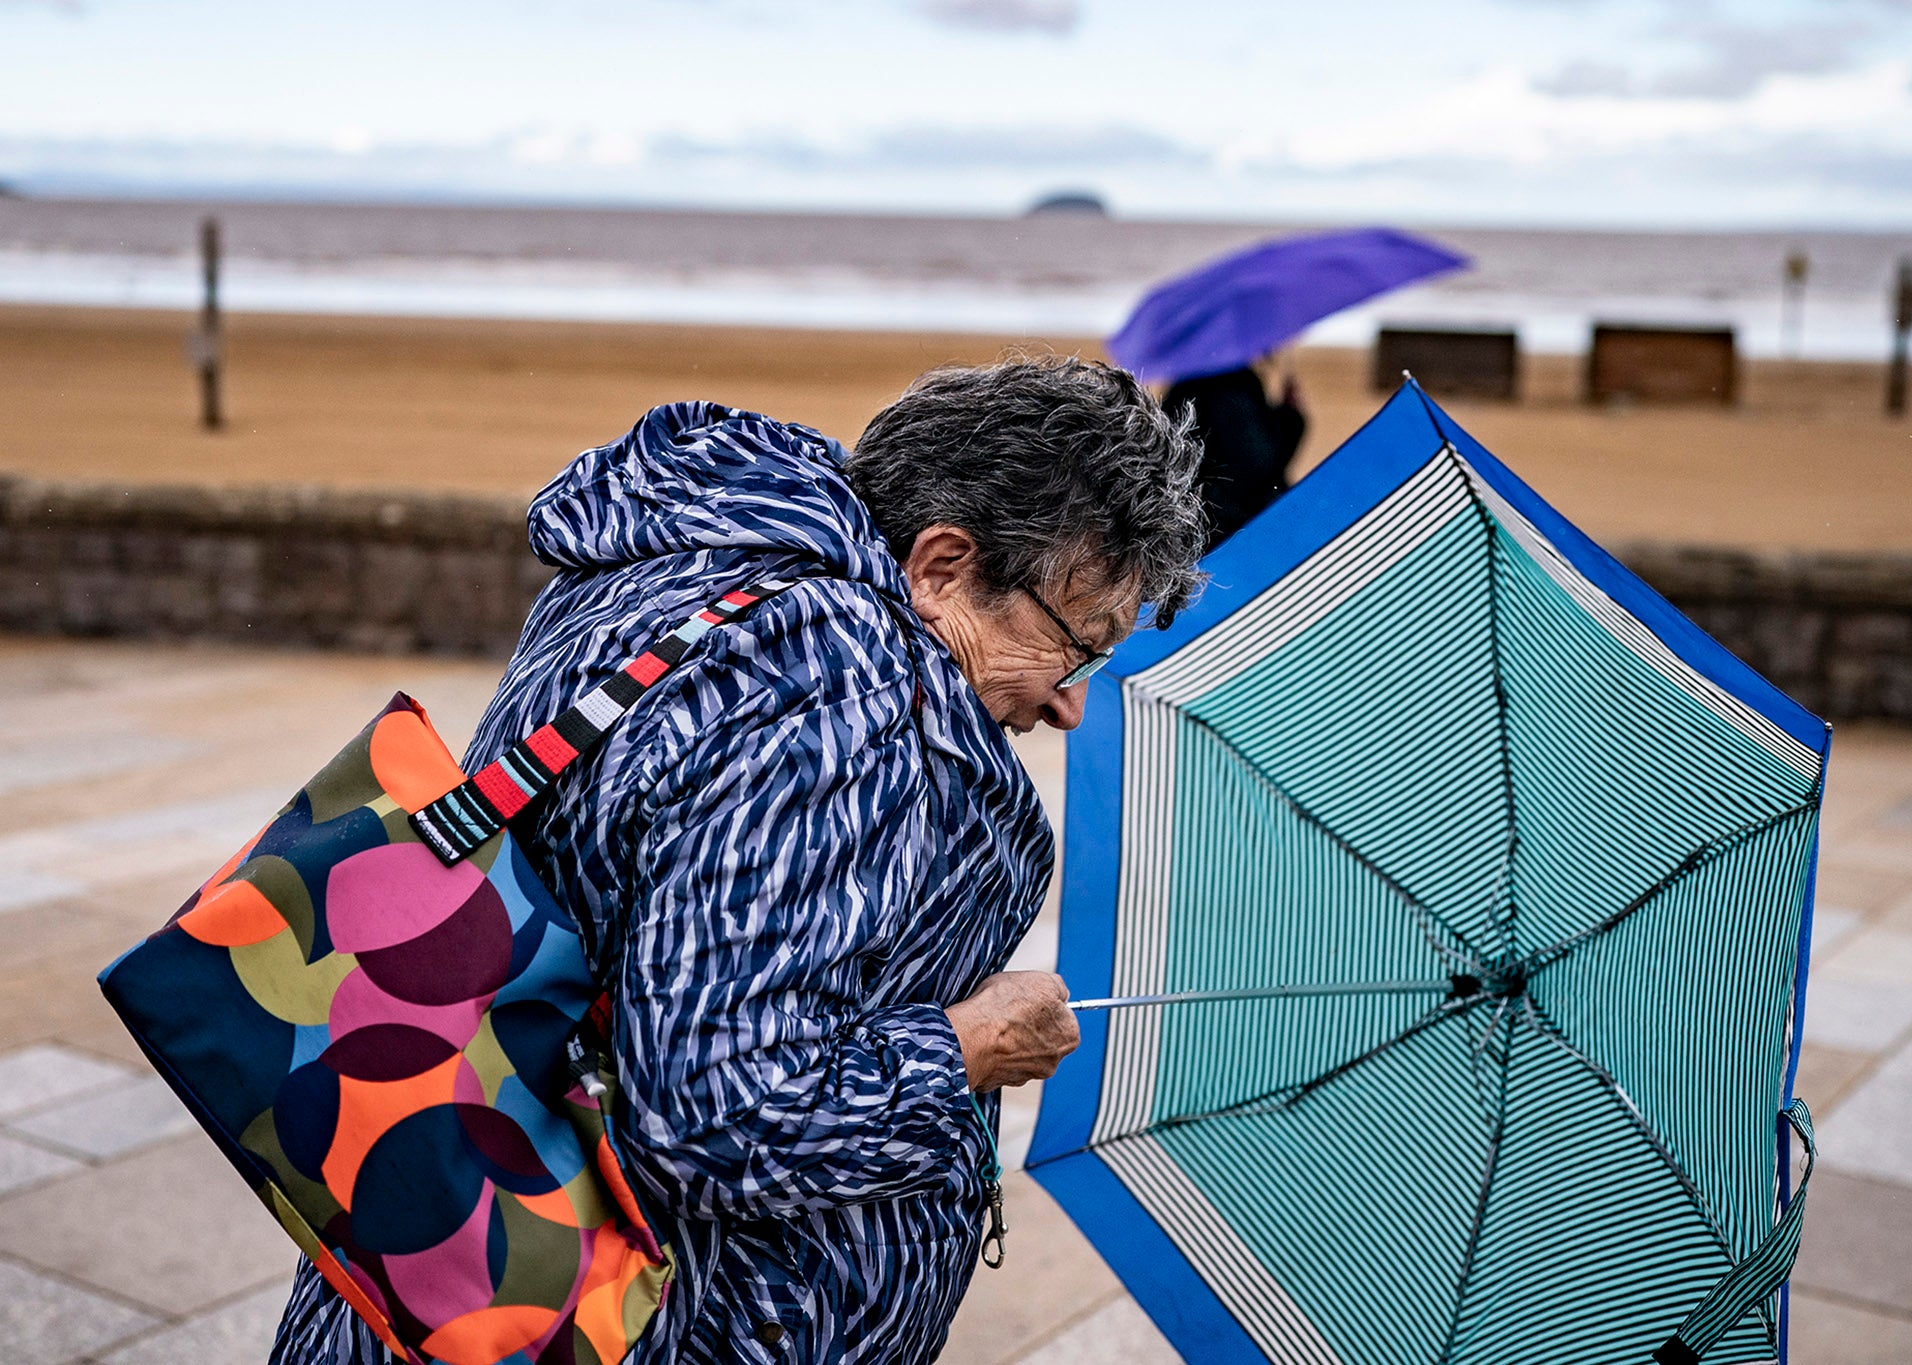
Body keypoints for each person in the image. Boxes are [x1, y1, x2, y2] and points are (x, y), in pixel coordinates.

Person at [269, 356, 1207, 1365]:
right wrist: (966, 1046)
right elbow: (723, 1116)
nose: (1068, 702)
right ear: (941, 565)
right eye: (1076, 645)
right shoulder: (828, 688)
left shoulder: (699, 563)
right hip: (625, 1323)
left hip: (443, 1270)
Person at [1163, 356, 1306, 550]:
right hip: (1239, 527)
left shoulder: (1181, 389)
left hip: (1194, 530)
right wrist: (1291, 418)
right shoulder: (1232, 386)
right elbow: (1258, 459)